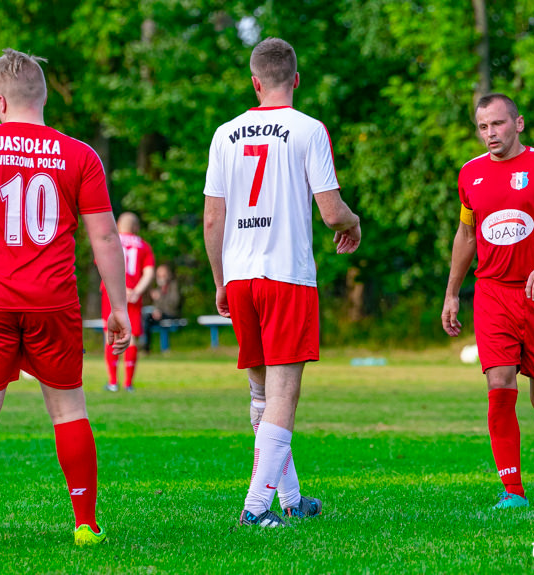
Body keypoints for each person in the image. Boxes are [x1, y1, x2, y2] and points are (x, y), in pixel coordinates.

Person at [0, 48, 130, 548]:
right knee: (68, 409)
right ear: (44, 96)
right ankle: (85, 524)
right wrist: (118, 305)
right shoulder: (80, 155)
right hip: (52, 300)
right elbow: (104, 238)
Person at [203, 37, 361, 527]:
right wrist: (353, 223)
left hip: (242, 276)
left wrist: (221, 280)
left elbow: (213, 218)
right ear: (295, 79)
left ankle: (290, 498)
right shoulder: (308, 129)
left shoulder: (224, 133)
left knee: (260, 394)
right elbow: (331, 212)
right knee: (285, 396)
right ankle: (255, 509)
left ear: (254, 81)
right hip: (286, 275)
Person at [441, 93, 534, 509]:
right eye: (483, 127)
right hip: (493, 294)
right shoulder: (470, 175)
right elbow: (467, 235)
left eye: (498, 125)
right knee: (499, 384)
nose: (490, 135)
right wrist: (452, 292)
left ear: (518, 124)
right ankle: (513, 491)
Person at [100, 212, 154, 391]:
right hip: (133, 295)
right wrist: (136, 291)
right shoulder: (143, 245)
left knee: (111, 333)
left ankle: (113, 382)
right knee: (130, 337)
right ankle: (128, 383)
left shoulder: (110, 241)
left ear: (118, 224)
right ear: (136, 227)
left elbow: (103, 265)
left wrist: (118, 289)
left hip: (111, 292)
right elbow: (149, 272)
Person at [142, 263, 182, 352]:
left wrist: (160, 298)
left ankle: (146, 347)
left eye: (163, 274)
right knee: (146, 318)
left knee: (148, 319)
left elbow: (175, 303)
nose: (161, 277)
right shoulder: (159, 287)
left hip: (172, 314)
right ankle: (145, 346)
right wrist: (157, 310)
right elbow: (157, 305)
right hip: (161, 314)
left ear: (168, 274)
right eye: (159, 274)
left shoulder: (174, 286)